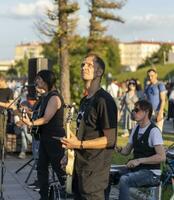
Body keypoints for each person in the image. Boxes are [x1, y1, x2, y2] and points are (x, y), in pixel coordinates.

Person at [61, 54, 117, 200]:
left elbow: (110, 140)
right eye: (83, 64)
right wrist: (69, 151)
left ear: (99, 72)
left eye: (89, 65)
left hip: (95, 173)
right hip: (80, 168)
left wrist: (79, 144)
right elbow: (83, 133)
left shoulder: (104, 100)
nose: (84, 67)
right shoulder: (85, 100)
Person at [22, 70, 66, 200]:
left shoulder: (54, 97)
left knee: (59, 169)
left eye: (39, 79)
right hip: (46, 137)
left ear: (47, 81)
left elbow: (46, 119)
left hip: (55, 138)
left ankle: (68, 193)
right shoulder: (45, 96)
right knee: (41, 168)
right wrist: (27, 113)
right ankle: (44, 196)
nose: (37, 82)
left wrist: (31, 123)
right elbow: (41, 115)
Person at [115, 99, 166, 200]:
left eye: (137, 110)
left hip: (151, 173)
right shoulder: (135, 128)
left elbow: (161, 156)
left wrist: (139, 160)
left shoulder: (154, 131)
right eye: (133, 109)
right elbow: (126, 151)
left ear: (146, 112)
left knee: (125, 180)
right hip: (137, 170)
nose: (133, 112)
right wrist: (118, 148)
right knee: (109, 174)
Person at [0, 75, 14, 153]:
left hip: (2, 114)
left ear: (2, 81)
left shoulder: (9, 91)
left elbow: (11, 105)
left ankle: (2, 152)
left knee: (1, 134)